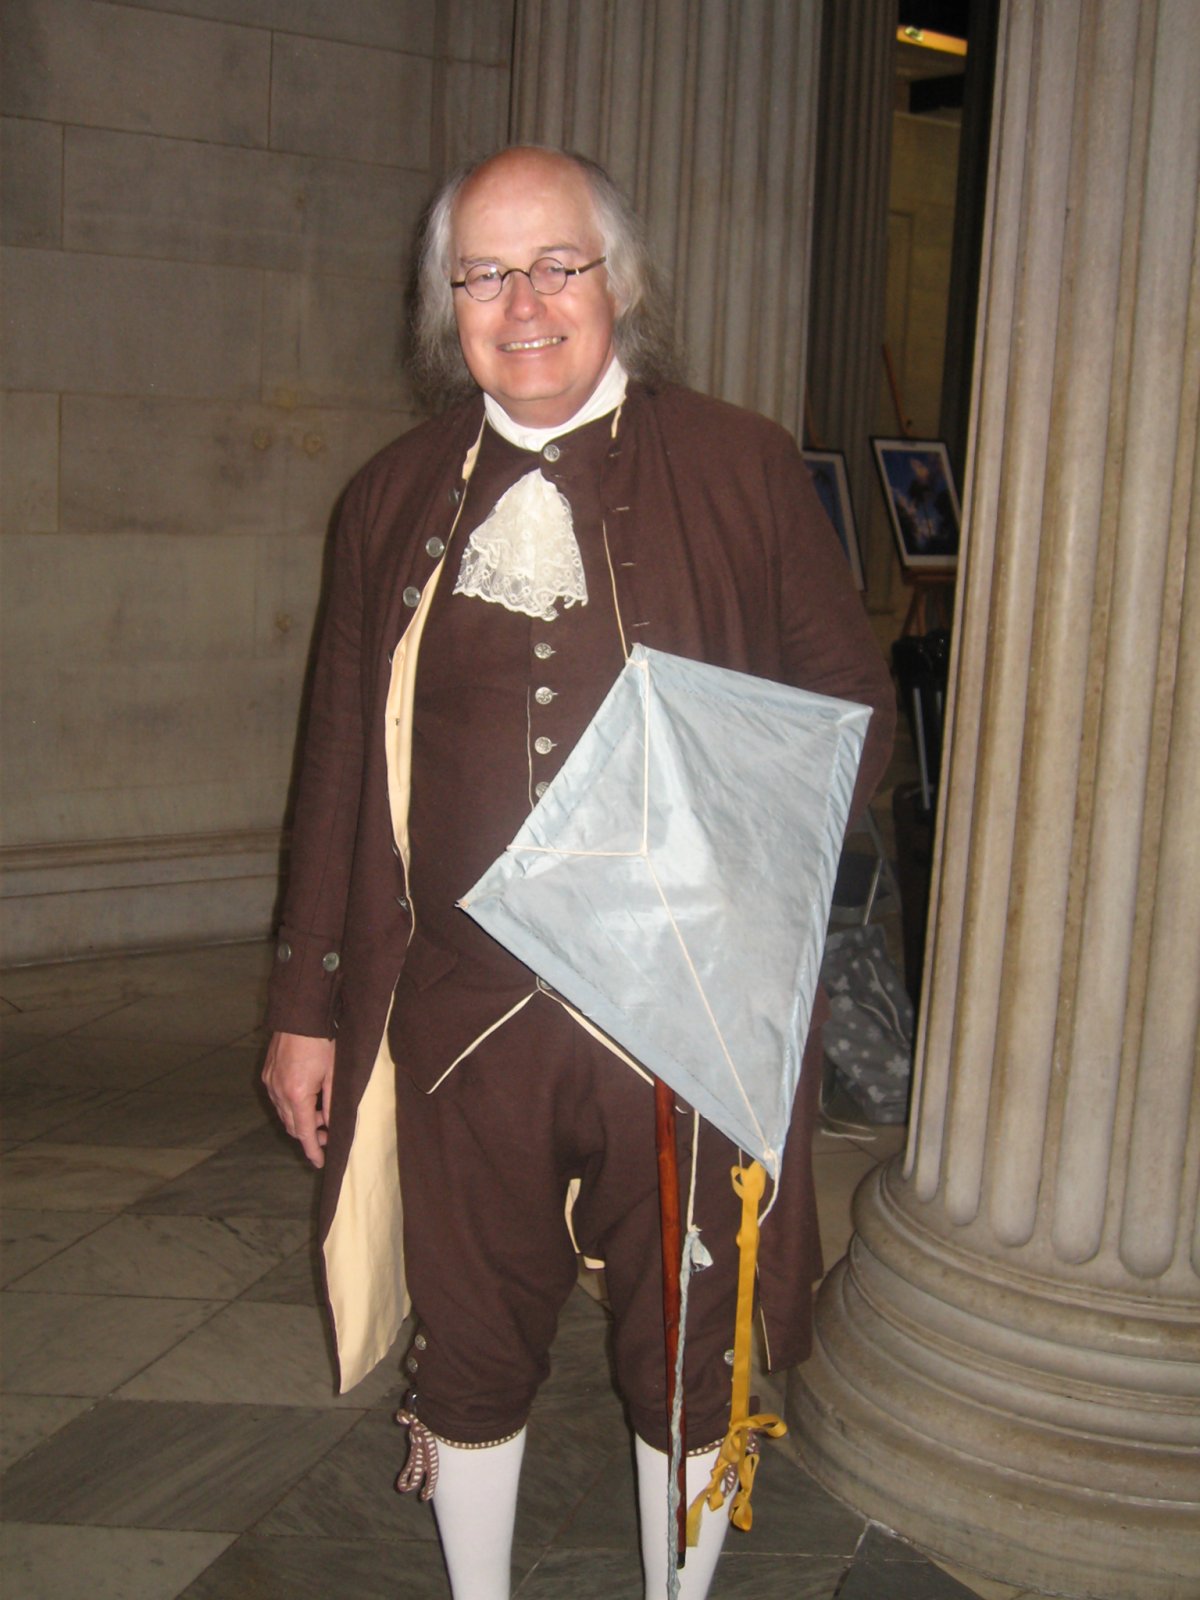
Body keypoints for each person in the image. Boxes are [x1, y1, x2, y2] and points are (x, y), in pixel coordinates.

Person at [263, 145, 895, 1600]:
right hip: (457, 1019)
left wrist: (724, 868)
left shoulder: (739, 462)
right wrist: (308, 999)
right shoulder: (389, 496)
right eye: (484, 271)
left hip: (679, 1015)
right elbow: (338, 766)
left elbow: (849, 712)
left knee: (686, 1348)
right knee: (471, 1344)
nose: (525, 301)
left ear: (621, 285)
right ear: (447, 304)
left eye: (560, 264)